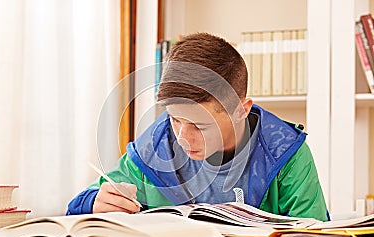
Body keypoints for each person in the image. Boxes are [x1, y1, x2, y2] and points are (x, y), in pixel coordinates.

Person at [67, 32, 329, 221]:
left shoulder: (285, 153)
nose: (182, 137)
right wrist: (94, 202)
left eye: (200, 126)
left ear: (241, 110)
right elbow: (76, 206)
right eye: (175, 119)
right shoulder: (155, 147)